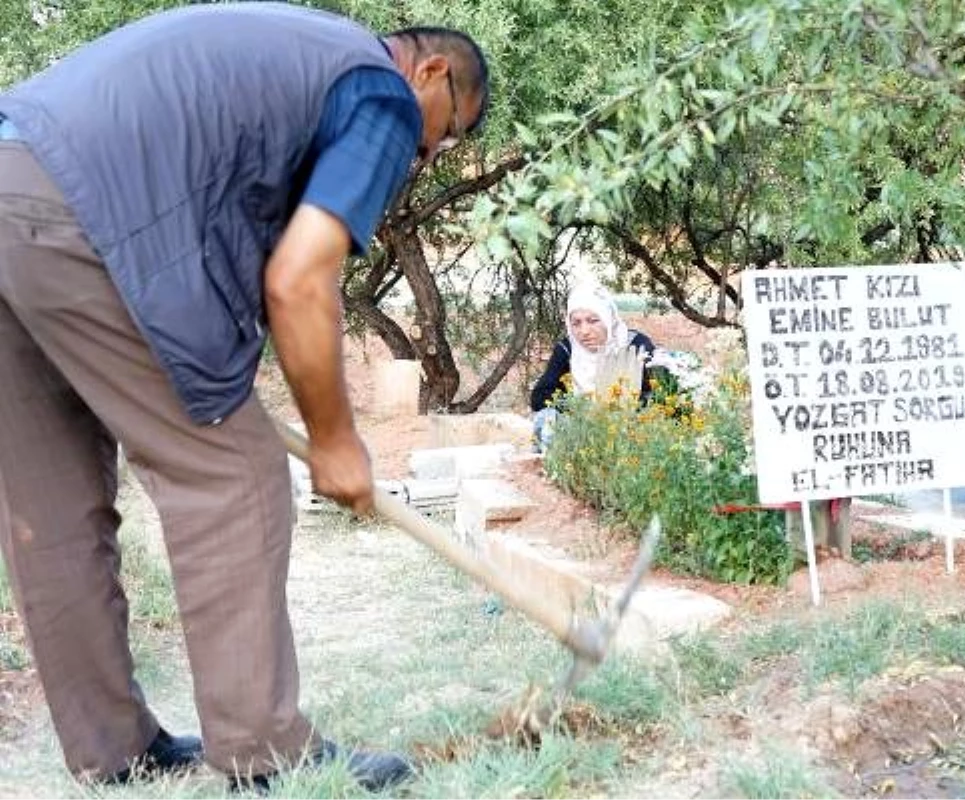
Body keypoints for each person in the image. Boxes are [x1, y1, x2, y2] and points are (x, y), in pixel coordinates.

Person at [0, 3, 488, 792]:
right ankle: (264, 752)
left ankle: (111, 753)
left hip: (13, 177)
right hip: (80, 211)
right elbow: (299, 279)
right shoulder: (379, 92)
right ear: (430, 72)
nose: (427, 156)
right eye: (449, 132)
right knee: (236, 478)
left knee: (48, 509)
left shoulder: (295, 58)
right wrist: (336, 441)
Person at [530, 284, 655, 451]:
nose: (584, 331)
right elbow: (540, 396)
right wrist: (582, 409)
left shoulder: (635, 345)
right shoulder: (568, 349)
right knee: (547, 419)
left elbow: (656, 392)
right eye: (576, 323)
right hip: (581, 433)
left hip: (631, 434)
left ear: (608, 317)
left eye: (593, 321)